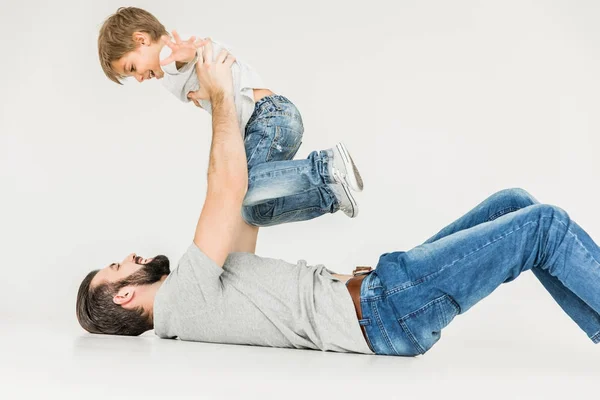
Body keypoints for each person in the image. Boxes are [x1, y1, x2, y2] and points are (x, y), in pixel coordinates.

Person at [78, 41, 600, 356]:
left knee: (515, 203)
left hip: (381, 289)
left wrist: (242, 105)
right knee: (544, 226)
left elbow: (241, 200)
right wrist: (216, 96)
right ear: (124, 296)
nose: (128, 258)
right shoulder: (181, 301)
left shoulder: (203, 295)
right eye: (116, 267)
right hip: (385, 309)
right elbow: (223, 187)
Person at [97, 6, 364, 224]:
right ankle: (330, 194)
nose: (139, 78)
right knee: (255, 211)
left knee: (239, 187)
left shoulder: (169, 56)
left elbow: (185, 57)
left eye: (132, 67)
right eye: (132, 76)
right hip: (272, 123)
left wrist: (184, 55)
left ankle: (326, 166)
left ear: (141, 40)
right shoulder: (172, 70)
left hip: (268, 118)